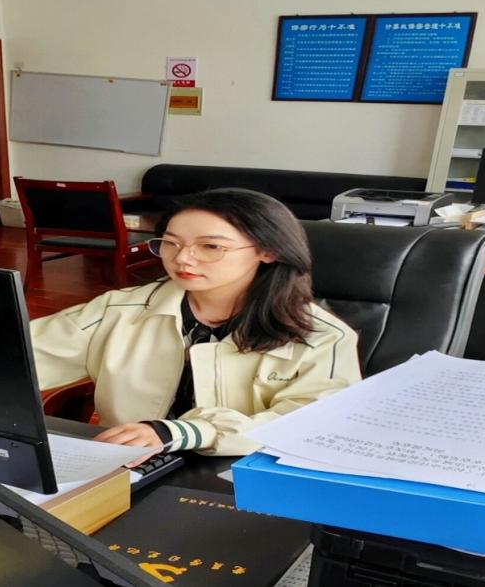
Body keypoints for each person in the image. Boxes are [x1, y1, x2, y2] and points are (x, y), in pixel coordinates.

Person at [30, 188, 361, 456]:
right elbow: (19, 356)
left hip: (246, 474)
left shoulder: (321, 336)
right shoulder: (118, 310)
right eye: (171, 243)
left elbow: (310, 423)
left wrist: (191, 432)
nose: (182, 258)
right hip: (127, 465)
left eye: (210, 246)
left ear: (268, 251)